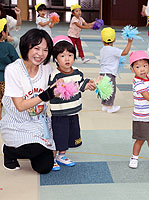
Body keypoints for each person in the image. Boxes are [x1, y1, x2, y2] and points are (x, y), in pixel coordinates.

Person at [0, 28, 58, 174]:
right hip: (17, 123)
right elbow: (19, 106)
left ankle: (33, 147)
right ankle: (9, 151)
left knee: (44, 168)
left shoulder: (47, 68)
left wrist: (82, 83)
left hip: (39, 122)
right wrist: (45, 96)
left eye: (45, 50)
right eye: (36, 48)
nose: (40, 54)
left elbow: (62, 79)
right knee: (36, 148)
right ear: (26, 46)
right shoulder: (13, 70)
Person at [49, 35, 96, 171]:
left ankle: (62, 155)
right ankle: (52, 157)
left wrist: (88, 85)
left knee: (70, 134)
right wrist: (58, 87)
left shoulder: (77, 73)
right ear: (56, 58)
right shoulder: (55, 75)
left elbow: (80, 85)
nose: (67, 58)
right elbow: (51, 91)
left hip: (73, 111)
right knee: (59, 135)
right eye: (62, 56)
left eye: (70, 55)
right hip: (60, 113)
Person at [96, 27, 133, 113]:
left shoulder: (102, 50)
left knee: (105, 89)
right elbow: (124, 53)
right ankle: (110, 107)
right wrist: (129, 42)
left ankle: (105, 105)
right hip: (110, 73)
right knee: (112, 90)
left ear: (102, 40)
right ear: (114, 39)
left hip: (102, 73)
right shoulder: (113, 50)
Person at [0, 18, 19, 120]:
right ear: (3, 33)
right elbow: (17, 63)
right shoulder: (8, 47)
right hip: (6, 81)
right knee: (8, 103)